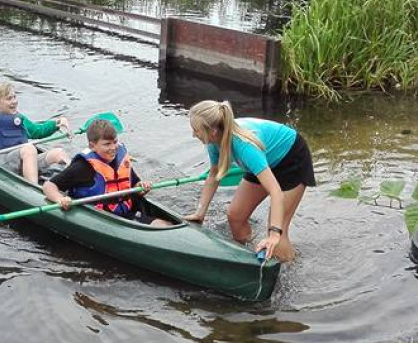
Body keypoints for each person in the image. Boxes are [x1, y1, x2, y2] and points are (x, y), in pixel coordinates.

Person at [185, 100, 315, 262]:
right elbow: (214, 175)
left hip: (291, 159)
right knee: (235, 216)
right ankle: (247, 259)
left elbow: (276, 192)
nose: (193, 134)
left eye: (196, 130)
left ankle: (287, 267)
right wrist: (200, 213)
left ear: (212, 131)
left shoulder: (245, 147)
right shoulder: (213, 142)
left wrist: (274, 234)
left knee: (277, 235)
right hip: (264, 160)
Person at [43, 118, 171, 227]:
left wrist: (141, 187)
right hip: (101, 218)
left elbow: (134, 185)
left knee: (165, 224)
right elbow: (49, 186)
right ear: (92, 146)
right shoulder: (82, 167)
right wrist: (60, 199)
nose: (113, 148)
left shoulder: (121, 160)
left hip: (128, 211)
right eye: (107, 144)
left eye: (115, 142)